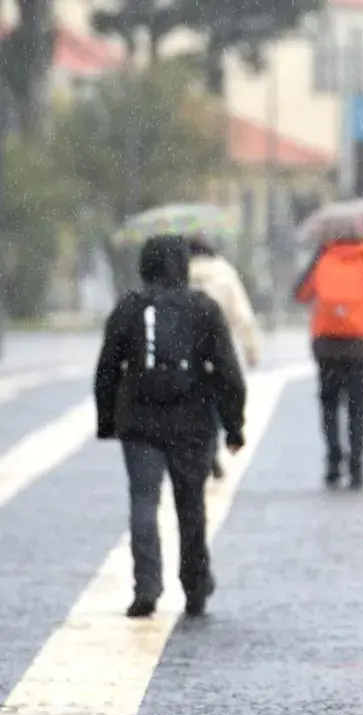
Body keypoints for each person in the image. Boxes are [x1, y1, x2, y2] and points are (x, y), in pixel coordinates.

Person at [94, 234, 247, 619]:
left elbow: (107, 369)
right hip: (191, 420)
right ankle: (195, 584)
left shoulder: (128, 307)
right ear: (183, 266)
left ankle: (146, 586)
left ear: (145, 266)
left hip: (139, 420)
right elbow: (228, 372)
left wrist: (108, 420)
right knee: (190, 504)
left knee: (143, 503)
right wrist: (233, 426)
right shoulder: (203, 309)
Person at [293, 239, 363, 490]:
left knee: (329, 404)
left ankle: (333, 461)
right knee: (357, 407)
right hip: (359, 346)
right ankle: (357, 466)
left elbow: (301, 294)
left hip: (327, 345)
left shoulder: (322, 260)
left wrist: (316, 258)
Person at [186, 238, 261, 480]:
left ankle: (199, 450)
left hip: (183, 349)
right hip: (218, 348)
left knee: (191, 403)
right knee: (216, 402)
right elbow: (241, 312)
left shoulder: (179, 273)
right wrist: (251, 346)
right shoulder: (223, 272)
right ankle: (210, 449)